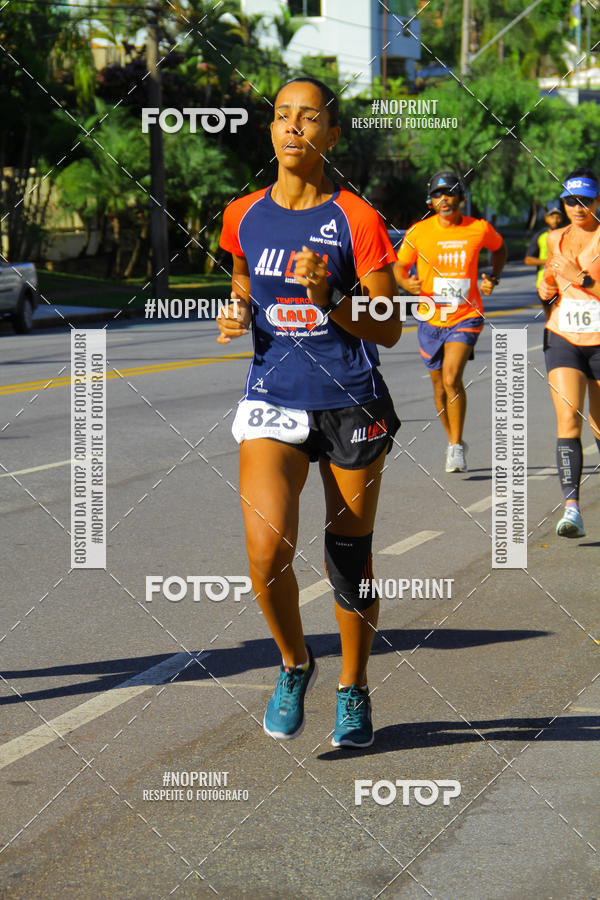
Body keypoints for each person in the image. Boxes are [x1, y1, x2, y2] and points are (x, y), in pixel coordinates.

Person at [217, 77, 402, 748]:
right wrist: (237, 308)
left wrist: (329, 298)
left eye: (308, 118)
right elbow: (241, 278)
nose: (293, 128)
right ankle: (296, 663)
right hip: (274, 399)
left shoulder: (356, 218)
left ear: (331, 134)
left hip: (351, 403)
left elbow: (387, 326)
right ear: (271, 130)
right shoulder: (242, 214)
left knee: (349, 560)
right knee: (266, 555)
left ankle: (353, 688)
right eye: (281, 117)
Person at [394, 170, 506, 472]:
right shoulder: (418, 233)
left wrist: (492, 277)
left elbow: (499, 248)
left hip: (466, 316)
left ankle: (456, 446)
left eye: (450, 193)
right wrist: (406, 285)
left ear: (461, 198)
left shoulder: (478, 229)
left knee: (451, 377)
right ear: (431, 202)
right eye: (437, 195)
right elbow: (399, 267)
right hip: (430, 317)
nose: (444, 199)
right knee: (438, 386)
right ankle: (452, 439)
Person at [538, 167, 600, 538]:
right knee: (569, 420)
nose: (578, 208)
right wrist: (546, 287)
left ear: (598, 201)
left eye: (586, 201)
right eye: (571, 201)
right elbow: (549, 282)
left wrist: (581, 277)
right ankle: (572, 509)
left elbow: (579, 279)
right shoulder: (554, 238)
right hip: (563, 337)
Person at [524, 200, 564, 292]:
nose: (555, 220)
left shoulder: (567, 234)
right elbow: (528, 260)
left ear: (562, 218)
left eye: (558, 217)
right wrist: (548, 261)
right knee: (549, 306)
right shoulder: (540, 236)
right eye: (552, 217)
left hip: (564, 282)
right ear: (546, 219)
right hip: (544, 282)